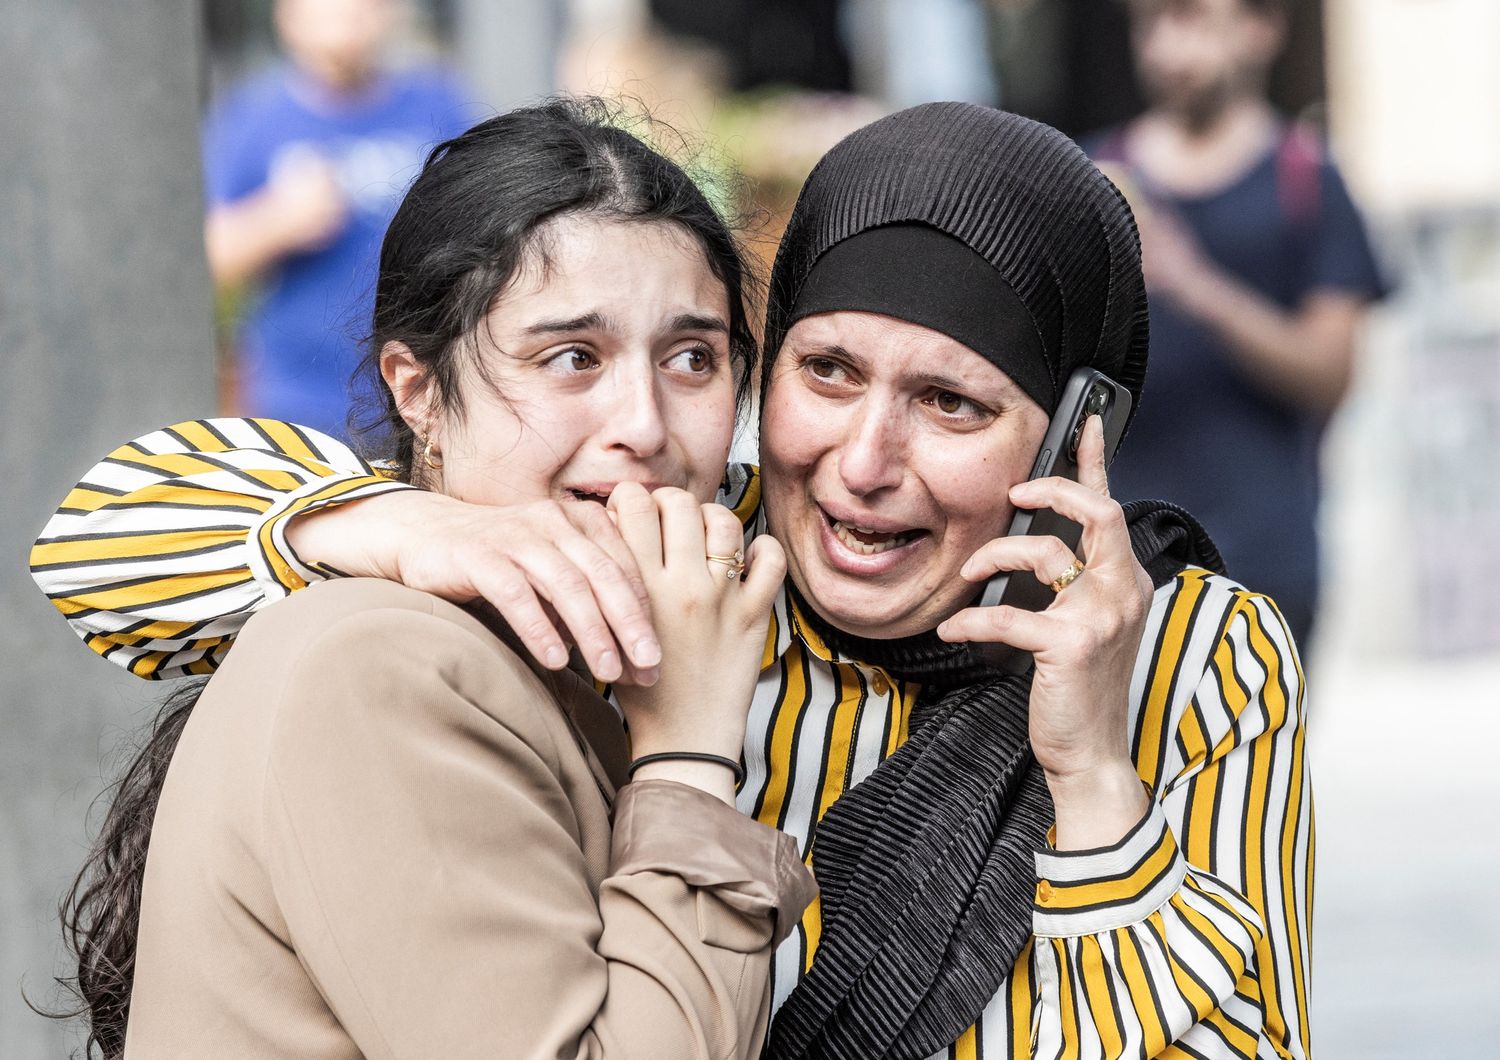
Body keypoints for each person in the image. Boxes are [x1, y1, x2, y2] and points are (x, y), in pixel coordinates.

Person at [36, 102, 1311, 1057]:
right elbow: (90, 544)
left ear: (1072, 431)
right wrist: (383, 524)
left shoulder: (1190, 654)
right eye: (826, 374)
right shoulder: (680, 566)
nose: (866, 463)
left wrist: (1095, 786)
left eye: (950, 403)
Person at [41, 99, 816, 1059]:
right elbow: (91, 535)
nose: (647, 425)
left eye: (692, 358)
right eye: (571, 357)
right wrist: (690, 756)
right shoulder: (385, 662)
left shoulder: (672, 582)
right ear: (418, 393)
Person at [1088, 0, 1387, 646]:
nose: (1167, 47)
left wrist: (1194, 283)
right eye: (1151, 23)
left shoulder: (1307, 181)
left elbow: (1331, 374)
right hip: (1115, 561)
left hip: (1265, 564)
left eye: (1191, 19)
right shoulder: (1095, 174)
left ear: (1261, 29)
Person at [205, 0, 472, 439]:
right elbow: (208, 261)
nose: (347, 21)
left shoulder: (439, 103)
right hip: (297, 401)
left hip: (423, 390)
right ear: (286, 16)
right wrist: (278, 220)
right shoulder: (251, 118)